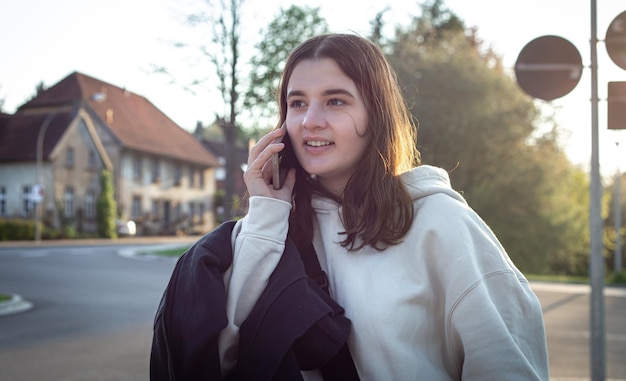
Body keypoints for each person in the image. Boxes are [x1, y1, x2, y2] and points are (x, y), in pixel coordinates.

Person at [151, 33, 549, 380]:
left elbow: (506, 366)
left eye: (336, 101)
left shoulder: (441, 224)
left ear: (375, 114)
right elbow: (219, 360)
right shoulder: (270, 228)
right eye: (298, 103)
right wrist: (265, 217)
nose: (310, 121)